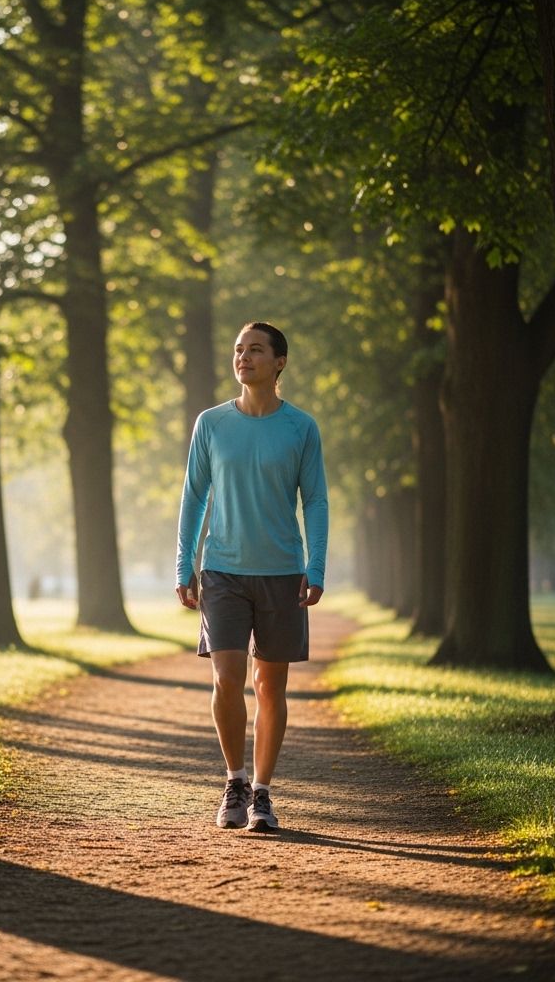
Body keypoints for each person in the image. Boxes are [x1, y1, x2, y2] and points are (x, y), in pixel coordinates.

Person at [175, 322, 328, 832]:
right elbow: (194, 496)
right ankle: (234, 780)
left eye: (256, 350)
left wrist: (316, 566)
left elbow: (317, 501)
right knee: (227, 678)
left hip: (283, 571)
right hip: (223, 571)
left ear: (279, 362)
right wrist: (185, 565)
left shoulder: (301, 427)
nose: (244, 357)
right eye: (239, 350)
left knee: (270, 687)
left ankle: (262, 793)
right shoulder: (212, 424)